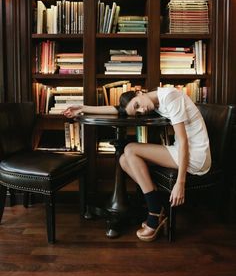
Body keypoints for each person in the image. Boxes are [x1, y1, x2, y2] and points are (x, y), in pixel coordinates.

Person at [63, 86, 211, 242]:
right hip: (181, 150)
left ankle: (154, 213)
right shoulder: (155, 102)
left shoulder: (170, 97)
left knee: (130, 149)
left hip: (196, 155)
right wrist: (82, 108)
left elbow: (183, 140)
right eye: (138, 111)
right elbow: (117, 109)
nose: (142, 110)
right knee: (124, 160)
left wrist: (180, 182)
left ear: (140, 92)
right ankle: (157, 207)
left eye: (137, 105)